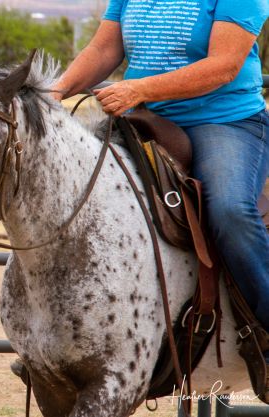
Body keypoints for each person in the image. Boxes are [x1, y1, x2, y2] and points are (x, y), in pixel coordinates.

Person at [51, 0, 268, 395]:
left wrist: (139, 87)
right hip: (147, 117)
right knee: (76, 192)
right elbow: (104, 50)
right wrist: (56, 91)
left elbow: (224, 66)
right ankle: (55, 342)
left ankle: (267, 334)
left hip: (222, 120)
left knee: (229, 211)